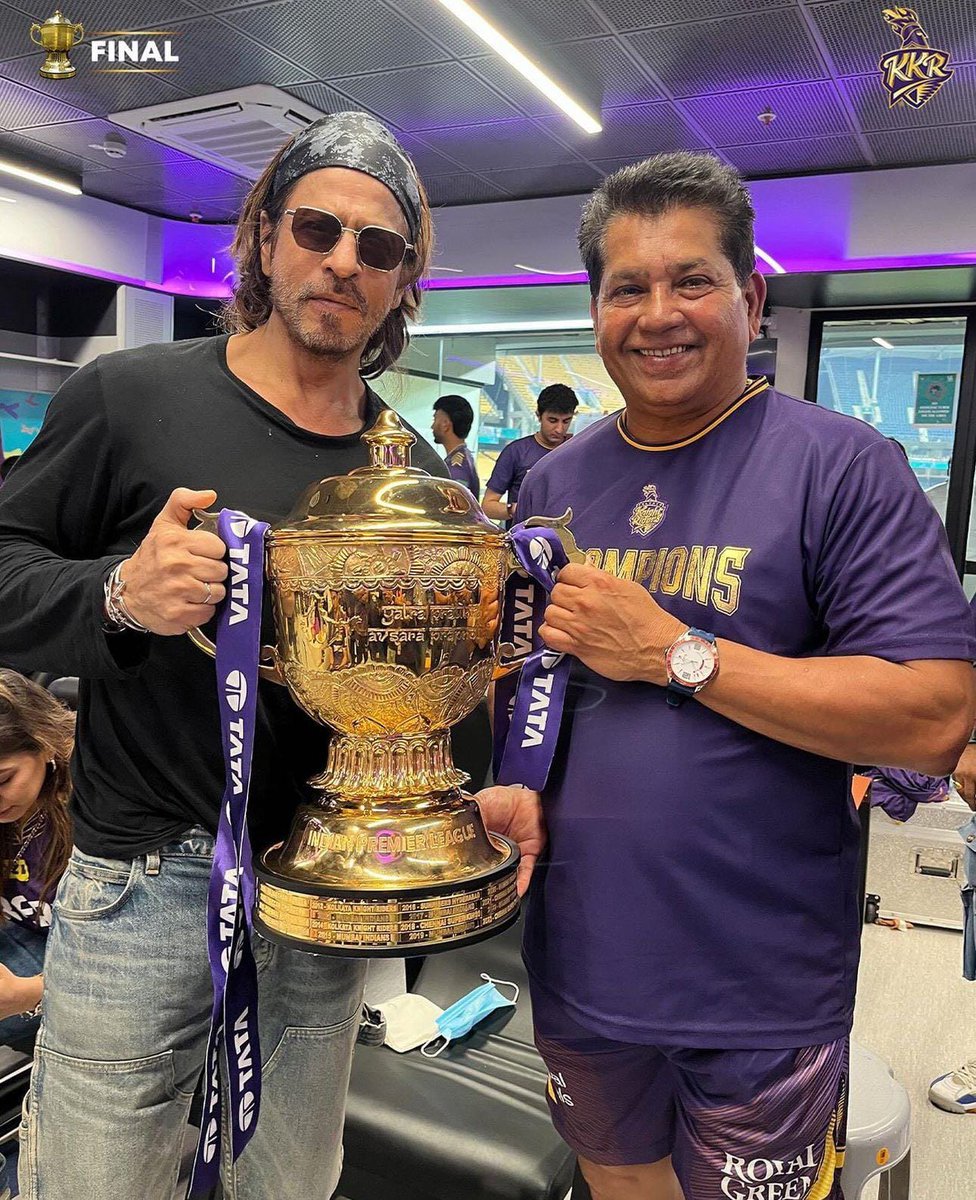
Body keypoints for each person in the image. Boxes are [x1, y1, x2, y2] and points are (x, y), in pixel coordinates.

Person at [0, 111, 532, 1200]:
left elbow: (417, 687)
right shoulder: (129, 398)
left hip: (321, 887)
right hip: (144, 882)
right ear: (264, 236)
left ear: (403, 281)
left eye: (378, 247)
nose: (344, 260)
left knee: (291, 1186)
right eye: (318, 227)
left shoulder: (407, 466)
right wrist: (117, 594)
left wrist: (487, 780)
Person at [478, 152, 976, 1200]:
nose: (659, 313)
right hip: (582, 959)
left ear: (749, 297)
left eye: (691, 279)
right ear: (596, 309)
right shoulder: (554, 482)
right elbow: (537, 689)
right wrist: (510, 771)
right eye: (628, 287)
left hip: (757, 983)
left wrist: (673, 653)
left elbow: (932, 717)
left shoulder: (842, 465)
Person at [0, 670, 73, 1049]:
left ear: (46, 744)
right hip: (25, 938)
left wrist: (30, 995)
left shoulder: (98, 806)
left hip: (100, 964)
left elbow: (150, 968)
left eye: (3, 780)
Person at [482, 382, 577, 523]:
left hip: (564, 538)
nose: (559, 429)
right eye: (552, 420)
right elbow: (487, 506)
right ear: (539, 415)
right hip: (524, 540)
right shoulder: (515, 452)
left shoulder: (576, 453)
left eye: (566, 421)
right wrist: (515, 510)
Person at [432, 393, 479, 495]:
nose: (432, 426)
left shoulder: (456, 468)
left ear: (445, 425)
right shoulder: (462, 458)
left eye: (435, 419)